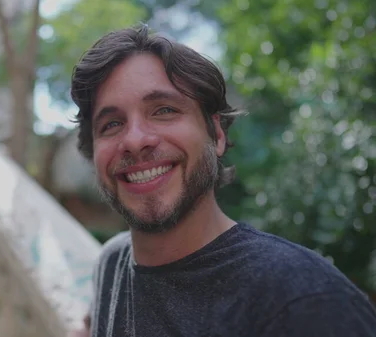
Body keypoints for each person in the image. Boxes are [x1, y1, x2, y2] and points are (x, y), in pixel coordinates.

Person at [68, 25, 376, 337]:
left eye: (163, 110)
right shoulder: (111, 264)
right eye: (112, 123)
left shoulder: (306, 304)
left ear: (216, 135)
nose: (135, 140)